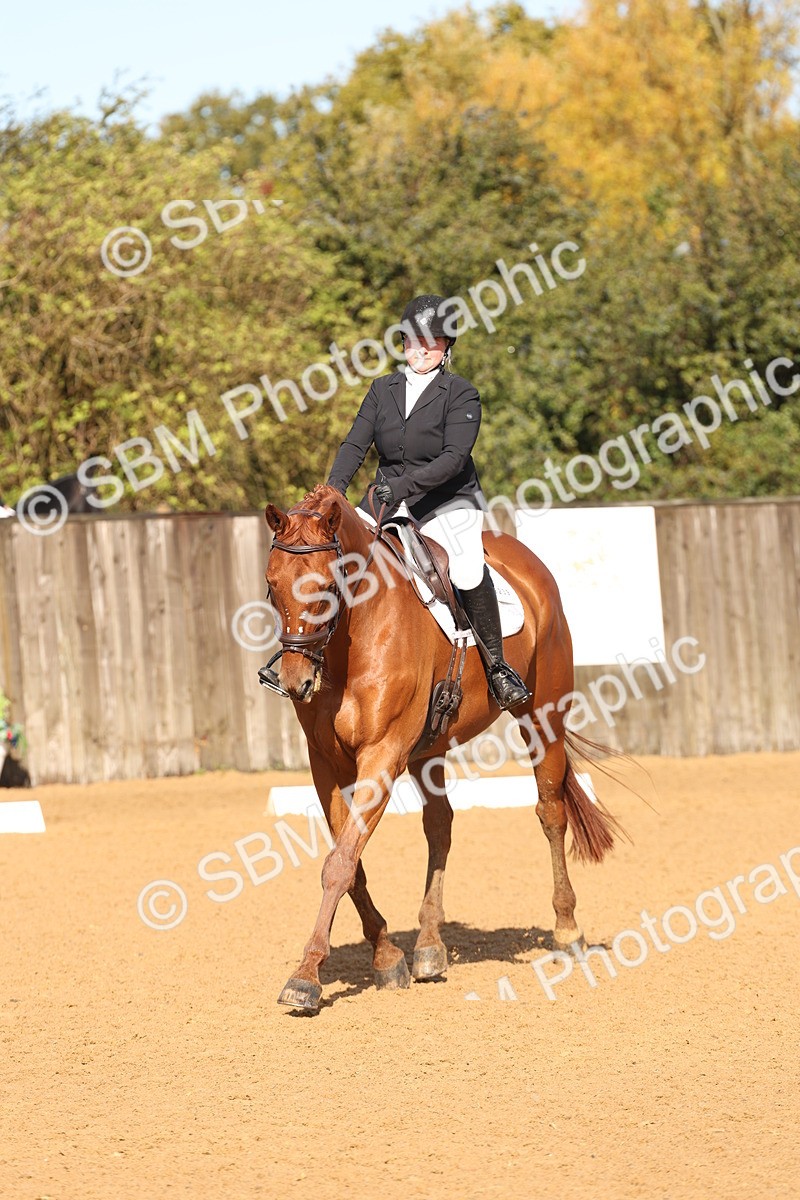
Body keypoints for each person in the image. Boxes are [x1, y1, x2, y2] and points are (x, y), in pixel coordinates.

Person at [326, 294, 530, 710]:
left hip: (447, 501)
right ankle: (309, 655)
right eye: (413, 340)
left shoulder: (461, 394)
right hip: (385, 498)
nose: (420, 349)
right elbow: (354, 445)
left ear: (446, 346)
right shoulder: (382, 390)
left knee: (469, 570)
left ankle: (497, 667)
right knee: (337, 556)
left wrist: (403, 489)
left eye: (431, 341)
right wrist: (332, 492)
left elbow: (453, 460)